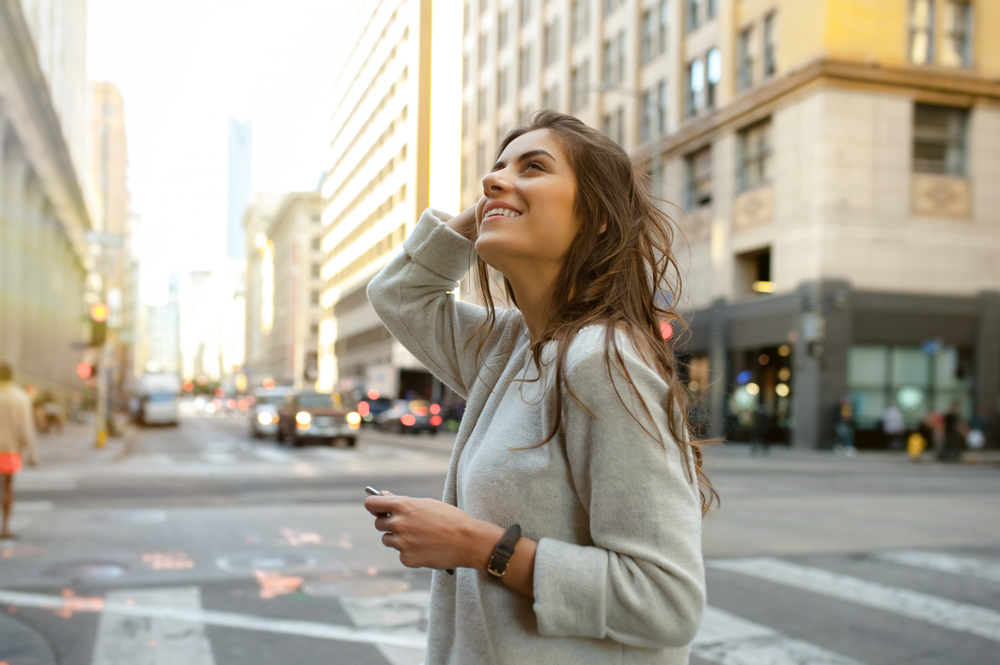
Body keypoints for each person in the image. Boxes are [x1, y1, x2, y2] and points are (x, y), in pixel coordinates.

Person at [364, 111, 713, 664]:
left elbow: (666, 602)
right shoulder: (509, 347)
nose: (494, 179)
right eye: (496, 168)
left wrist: (478, 546)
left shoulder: (600, 358)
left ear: (598, 218)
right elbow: (399, 295)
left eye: (534, 167)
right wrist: (494, 207)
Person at [0, 362, 38, 540]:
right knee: (8, 487)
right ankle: (5, 527)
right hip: (9, 449)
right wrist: (32, 454)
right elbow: (26, 428)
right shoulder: (20, 397)